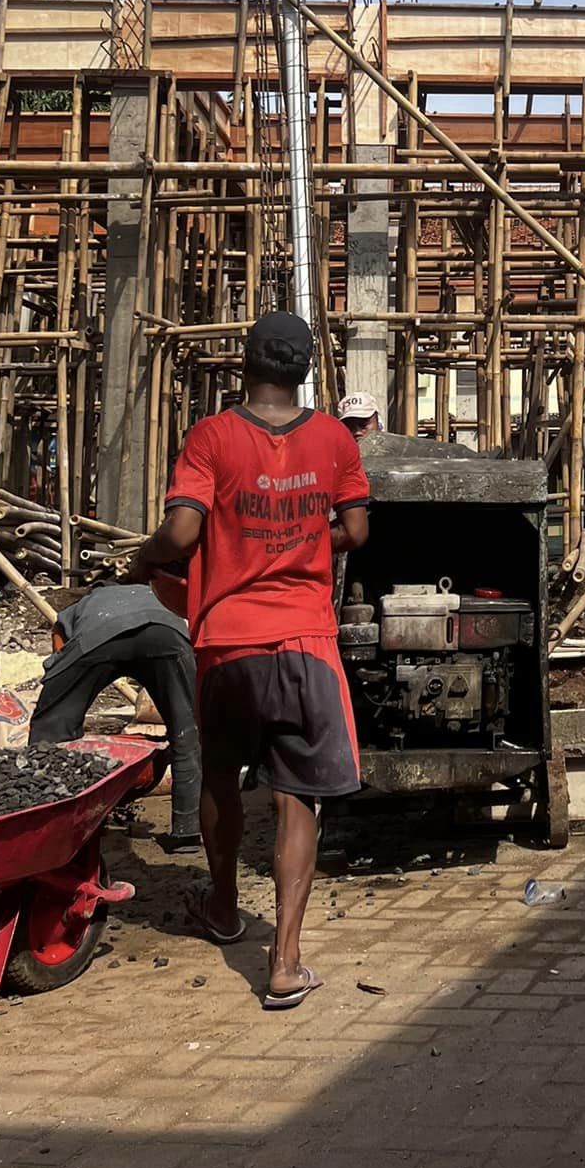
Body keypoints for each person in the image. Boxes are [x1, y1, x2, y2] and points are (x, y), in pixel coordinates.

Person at [131, 312, 370, 1011]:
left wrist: (145, 555)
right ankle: (286, 962)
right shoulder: (333, 439)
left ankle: (226, 906)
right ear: (305, 370)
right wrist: (302, 536)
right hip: (305, 643)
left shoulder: (211, 436)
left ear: (245, 365)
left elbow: (181, 531)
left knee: (222, 778)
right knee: (298, 797)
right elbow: (355, 529)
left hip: (225, 643)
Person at [29, 582, 201, 850]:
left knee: (50, 730)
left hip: (98, 638)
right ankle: (187, 831)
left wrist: (63, 709)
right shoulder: (158, 595)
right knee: (188, 733)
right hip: (166, 635)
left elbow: (58, 655)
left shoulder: (77, 610)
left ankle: (47, 823)